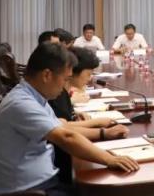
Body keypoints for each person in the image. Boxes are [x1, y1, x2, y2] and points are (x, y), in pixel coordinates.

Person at [0, 43, 139, 196]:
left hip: (35, 188)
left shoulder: (31, 96)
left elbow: (63, 126)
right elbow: (65, 137)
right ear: (47, 75)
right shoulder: (22, 104)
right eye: (64, 79)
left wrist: (102, 132)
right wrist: (109, 159)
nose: (66, 85)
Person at [49, 47, 130, 183]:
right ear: (73, 71)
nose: (90, 77)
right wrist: (101, 129)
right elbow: (64, 129)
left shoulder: (61, 92)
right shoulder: (57, 93)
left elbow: (62, 122)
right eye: (88, 73)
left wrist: (75, 114)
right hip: (60, 168)